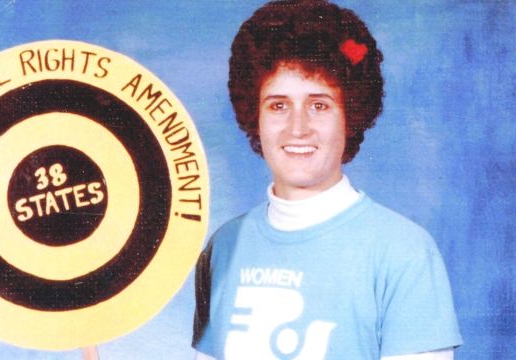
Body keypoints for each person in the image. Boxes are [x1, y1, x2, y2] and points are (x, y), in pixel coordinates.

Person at [192, 1, 462, 359]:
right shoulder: (224, 247)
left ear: (350, 115)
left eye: (319, 105)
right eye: (278, 105)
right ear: (252, 115)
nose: (297, 128)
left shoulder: (404, 254)